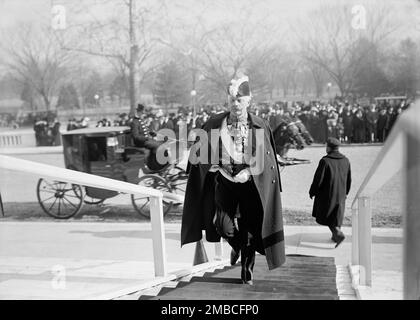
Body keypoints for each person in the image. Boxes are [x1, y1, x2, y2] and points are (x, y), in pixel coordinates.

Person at [181, 75, 286, 285]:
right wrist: (212, 165)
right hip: (225, 182)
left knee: (248, 228)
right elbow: (199, 154)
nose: (235, 104)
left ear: (248, 101)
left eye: (240, 100)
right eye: (232, 101)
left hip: (250, 184)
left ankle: (247, 272)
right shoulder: (214, 124)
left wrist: (252, 171)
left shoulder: (260, 125)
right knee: (222, 225)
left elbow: (266, 158)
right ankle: (236, 245)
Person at [309, 137, 351, 248]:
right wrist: (346, 192)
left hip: (327, 195)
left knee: (327, 215)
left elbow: (318, 179)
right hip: (341, 193)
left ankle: (338, 234)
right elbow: (349, 179)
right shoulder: (345, 160)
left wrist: (312, 191)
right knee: (336, 215)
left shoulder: (325, 161)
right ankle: (335, 236)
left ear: (329, 148)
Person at [130, 103, 165, 171]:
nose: (143, 114)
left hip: (146, 140)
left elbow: (146, 131)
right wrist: (147, 138)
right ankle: (153, 166)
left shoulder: (140, 120)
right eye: (142, 113)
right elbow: (135, 136)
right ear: (138, 112)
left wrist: (153, 134)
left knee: (161, 144)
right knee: (156, 146)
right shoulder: (134, 122)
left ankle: (160, 163)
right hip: (140, 142)